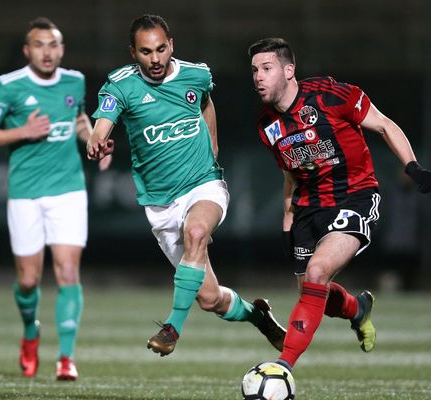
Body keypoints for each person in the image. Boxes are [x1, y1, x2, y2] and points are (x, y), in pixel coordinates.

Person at [87, 14, 286, 357]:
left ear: (172, 46)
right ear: (133, 53)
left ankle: (171, 329)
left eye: (162, 49)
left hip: (203, 184)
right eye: (146, 51)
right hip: (161, 204)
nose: (156, 59)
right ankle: (260, 317)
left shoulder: (196, 74)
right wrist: (97, 141)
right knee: (210, 299)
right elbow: (102, 124)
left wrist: (212, 145)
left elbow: (206, 103)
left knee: (196, 233)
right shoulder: (121, 85)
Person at [248, 37, 431, 370]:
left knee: (317, 273)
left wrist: (412, 166)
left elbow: (383, 124)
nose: (258, 77)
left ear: (289, 70)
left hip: (355, 197)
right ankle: (355, 308)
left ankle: (282, 367)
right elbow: (290, 177)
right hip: (307, 208)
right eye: (254, 71)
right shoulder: (267, 126)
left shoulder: (329, 94)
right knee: (313, 292)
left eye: (267, 68)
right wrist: (287, 224)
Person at [0, 17, 109, 380]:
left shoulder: (74, 81)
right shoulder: (7, 86)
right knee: (29, 280)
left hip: (68, 190)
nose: (47, 52)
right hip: (25, 194)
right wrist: (23, 131)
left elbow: (78, 119)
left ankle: (66, 357)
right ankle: (30, 332)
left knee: (67, 271)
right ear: (27, 50)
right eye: (39, 45)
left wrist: (95, 141)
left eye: (53, 45)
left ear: (61, 50)